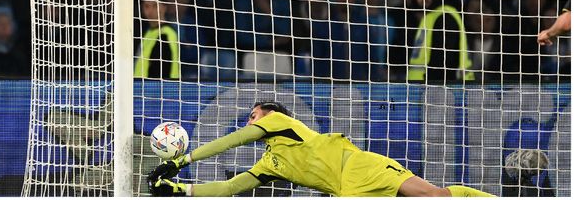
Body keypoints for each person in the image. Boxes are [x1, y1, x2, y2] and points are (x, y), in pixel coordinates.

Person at [147, 101, 494, 197]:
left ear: (270, 115)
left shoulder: (283, 124)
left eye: (254, 115)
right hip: (345, 192)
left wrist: (184, 159)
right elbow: (229, 187)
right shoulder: (271, 164)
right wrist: (180, 190)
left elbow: (232, 139)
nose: (251, 121)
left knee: (435, 198)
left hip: (360, 167)